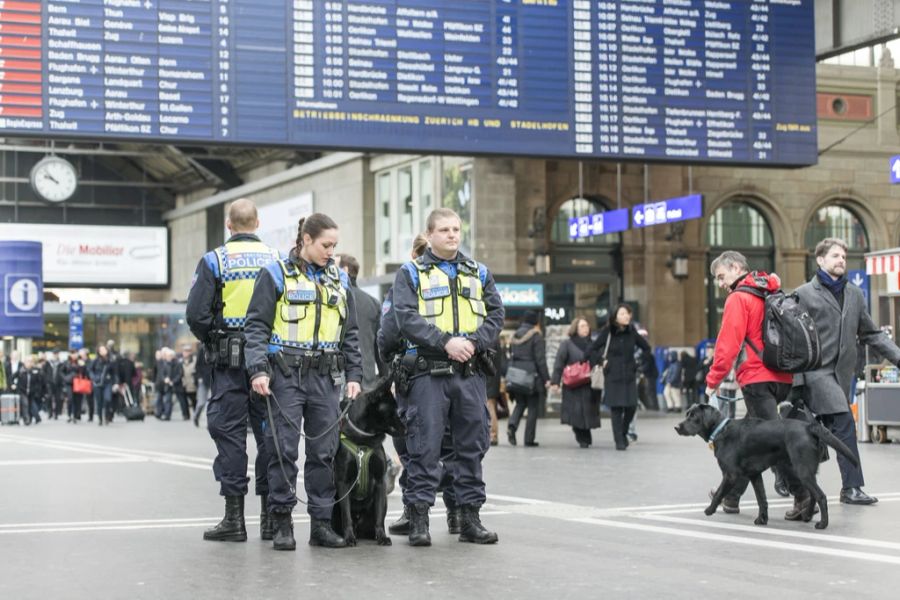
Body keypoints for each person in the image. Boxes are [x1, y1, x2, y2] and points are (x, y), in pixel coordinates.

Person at [244, 212, 363, 551]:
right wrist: (258, 370)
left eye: (335, 245)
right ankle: (282, 523)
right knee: (282, 449)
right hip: (284, 375)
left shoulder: (340, 280)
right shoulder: (275, 275)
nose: (331, 251)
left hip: (326, 378)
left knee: (323, 452)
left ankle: (322, 525)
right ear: (306, 240)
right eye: (326, 245)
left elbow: (350, 333)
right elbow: (255, 327)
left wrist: (354, 375)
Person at [391, 207, 504, 546]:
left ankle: (470, 519)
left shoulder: (478, 271)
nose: (452, 235)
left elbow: (497, 313)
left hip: (468, 373)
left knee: (471, 447)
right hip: (429, 374)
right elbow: (405, 318)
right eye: (444, 230)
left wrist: (473, 342)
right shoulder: (411, 273)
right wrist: (445, 342)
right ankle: (420, 521)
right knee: (424, 448)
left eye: (456, 229)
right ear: (430, 234)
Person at [186, 197, 280, 544]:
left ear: (230, 225)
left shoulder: (215, 260)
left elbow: (196, 314)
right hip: (267, 362)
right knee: (270, 437)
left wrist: (215, 338)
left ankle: (234, 519)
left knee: (230, 436)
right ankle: (271, 519)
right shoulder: (276, 260)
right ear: (257, 224)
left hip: (228, 365)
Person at [794, 238, 900, 508]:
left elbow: (871, 334)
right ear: (820, 260)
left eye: (843, 256)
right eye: (835, 256)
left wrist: (898, 358)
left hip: (842, 377)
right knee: (843, 423)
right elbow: (793, 341)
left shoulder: (854, 294)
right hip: (815, 374)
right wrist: (796, 382)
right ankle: (851, 487)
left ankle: (790, 481)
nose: (841, 260)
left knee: (812, 434)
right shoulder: (803, 294)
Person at [379, 232, 461, 538]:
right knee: (453, 446)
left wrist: (389, 371)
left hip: (417, 376)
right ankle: (455, 515)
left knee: (414, 446)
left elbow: (387, 335)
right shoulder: (456, 284)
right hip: (457, 375)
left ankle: (415, 516)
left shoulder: (406, 284)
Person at [704, 251, 796, 515]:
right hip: (782, 376)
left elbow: (727, 345)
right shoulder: (770, 290)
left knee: (775, 440)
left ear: (735, 267)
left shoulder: (739, 298)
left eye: (721, 276)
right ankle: (731, 496)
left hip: (757, 377)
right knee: (749, 442)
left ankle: (803, 495)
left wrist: (713, 381)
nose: (721, 284)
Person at [589, 305, 653, 451]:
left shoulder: (632, 332)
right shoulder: (608, 332)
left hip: (629, 375)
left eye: (627, 313)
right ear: (615, 316)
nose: (626, 316)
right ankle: (619, 440)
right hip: (613, 375)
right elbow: (592, 349)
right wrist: (602, 361)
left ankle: (623, 432)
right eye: (622, 313)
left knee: (631, 406)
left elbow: (646, 348)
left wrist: (638, 363)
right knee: (616, 409)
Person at [551, 317, 602, 448]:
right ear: (575, 329)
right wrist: (555, 381)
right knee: (576, 412)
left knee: (588, 412)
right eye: (582, 326)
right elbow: (559, 363)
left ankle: (586, 434)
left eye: (586, 326)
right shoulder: (567, 344)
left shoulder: (594, 344)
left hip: (589, 384)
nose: (585, 329)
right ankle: (582, 437)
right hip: (573, 384)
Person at [338, 254, 384, 390]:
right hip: (367, 381)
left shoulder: (335, 300)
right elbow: (379, 347)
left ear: (344, 270)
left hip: (341, 382)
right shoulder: (373, 303)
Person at [506, 310, 550, 447]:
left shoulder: (515, 335)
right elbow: (540, 360)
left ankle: (512, 426)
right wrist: (546, 378)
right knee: (532, 407)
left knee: (520, 403)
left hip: (516, 374)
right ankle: (528, 439)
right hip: (531, 376)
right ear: (535, 321)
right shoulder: (536, 336)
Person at [89, 345, 118, 426]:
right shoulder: (95, 361)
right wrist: (94, 378)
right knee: (99, 402)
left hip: (107, 382)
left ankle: (107, 416)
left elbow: (114, 373)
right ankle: (100, 418)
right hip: (97, 383)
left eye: (104, 349)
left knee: (107, 399)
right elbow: (90, 370)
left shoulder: (110, 360)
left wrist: (116, 383)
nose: (103, 351)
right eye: (101, 350)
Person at [17, 355, 45, 425]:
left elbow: (40, 381)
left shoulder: (35, 370)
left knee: (31, 405)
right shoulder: (21, 370)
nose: (29, 363)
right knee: (25, 404)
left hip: (32, 392)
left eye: (31, 361)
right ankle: (26, 420)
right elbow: (13, 377)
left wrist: (38, 390)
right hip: (22, 391)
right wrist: (13, 385)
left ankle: (35, 417)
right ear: (25, 362)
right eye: (28, 361)